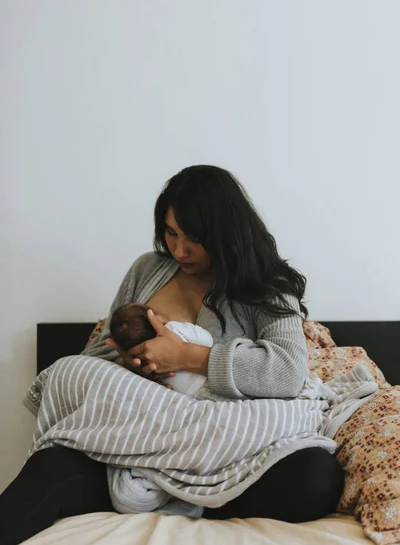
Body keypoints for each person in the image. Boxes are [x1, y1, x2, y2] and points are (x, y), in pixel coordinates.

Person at [0, 165, 345, 545]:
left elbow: (287, 372)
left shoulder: (268, 285)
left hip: (225, 449)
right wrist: (133, 363)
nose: (179, 250)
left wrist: (185, 356)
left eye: (194, 238)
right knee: (53, 456)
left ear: (225, 234)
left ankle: (199, 494)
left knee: (317, 475)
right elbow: (97, 359)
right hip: (137, 445)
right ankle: (165, 491)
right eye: (170, 233)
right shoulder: (148, 270)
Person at [108, 302, 213, 396]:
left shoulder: (143, 361)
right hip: (209, 383)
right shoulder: (172, 328)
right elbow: (207, 340)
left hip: (184, 396)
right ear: (153, 317)